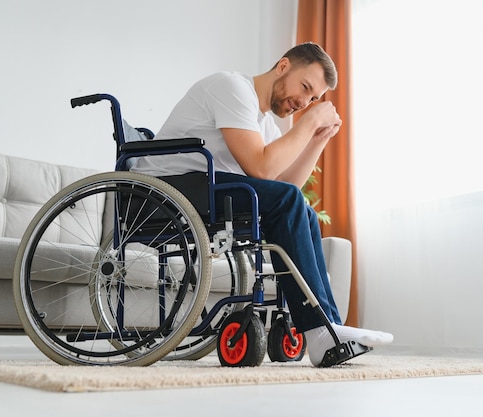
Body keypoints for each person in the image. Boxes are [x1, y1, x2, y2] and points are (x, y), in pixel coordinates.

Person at [132, 42, 393, 366]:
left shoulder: (264, 123)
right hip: (169, 190)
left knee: (304, 212)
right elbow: (261, 168)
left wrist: (317, 139)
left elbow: (284, 189)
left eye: (313, 98)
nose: (304, 101)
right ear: (283, 67)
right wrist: (308, 122)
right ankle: (322, 332)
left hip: (203, 188)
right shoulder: (231, 88)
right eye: (305, 87)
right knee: (289, 202)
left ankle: (326, 328)